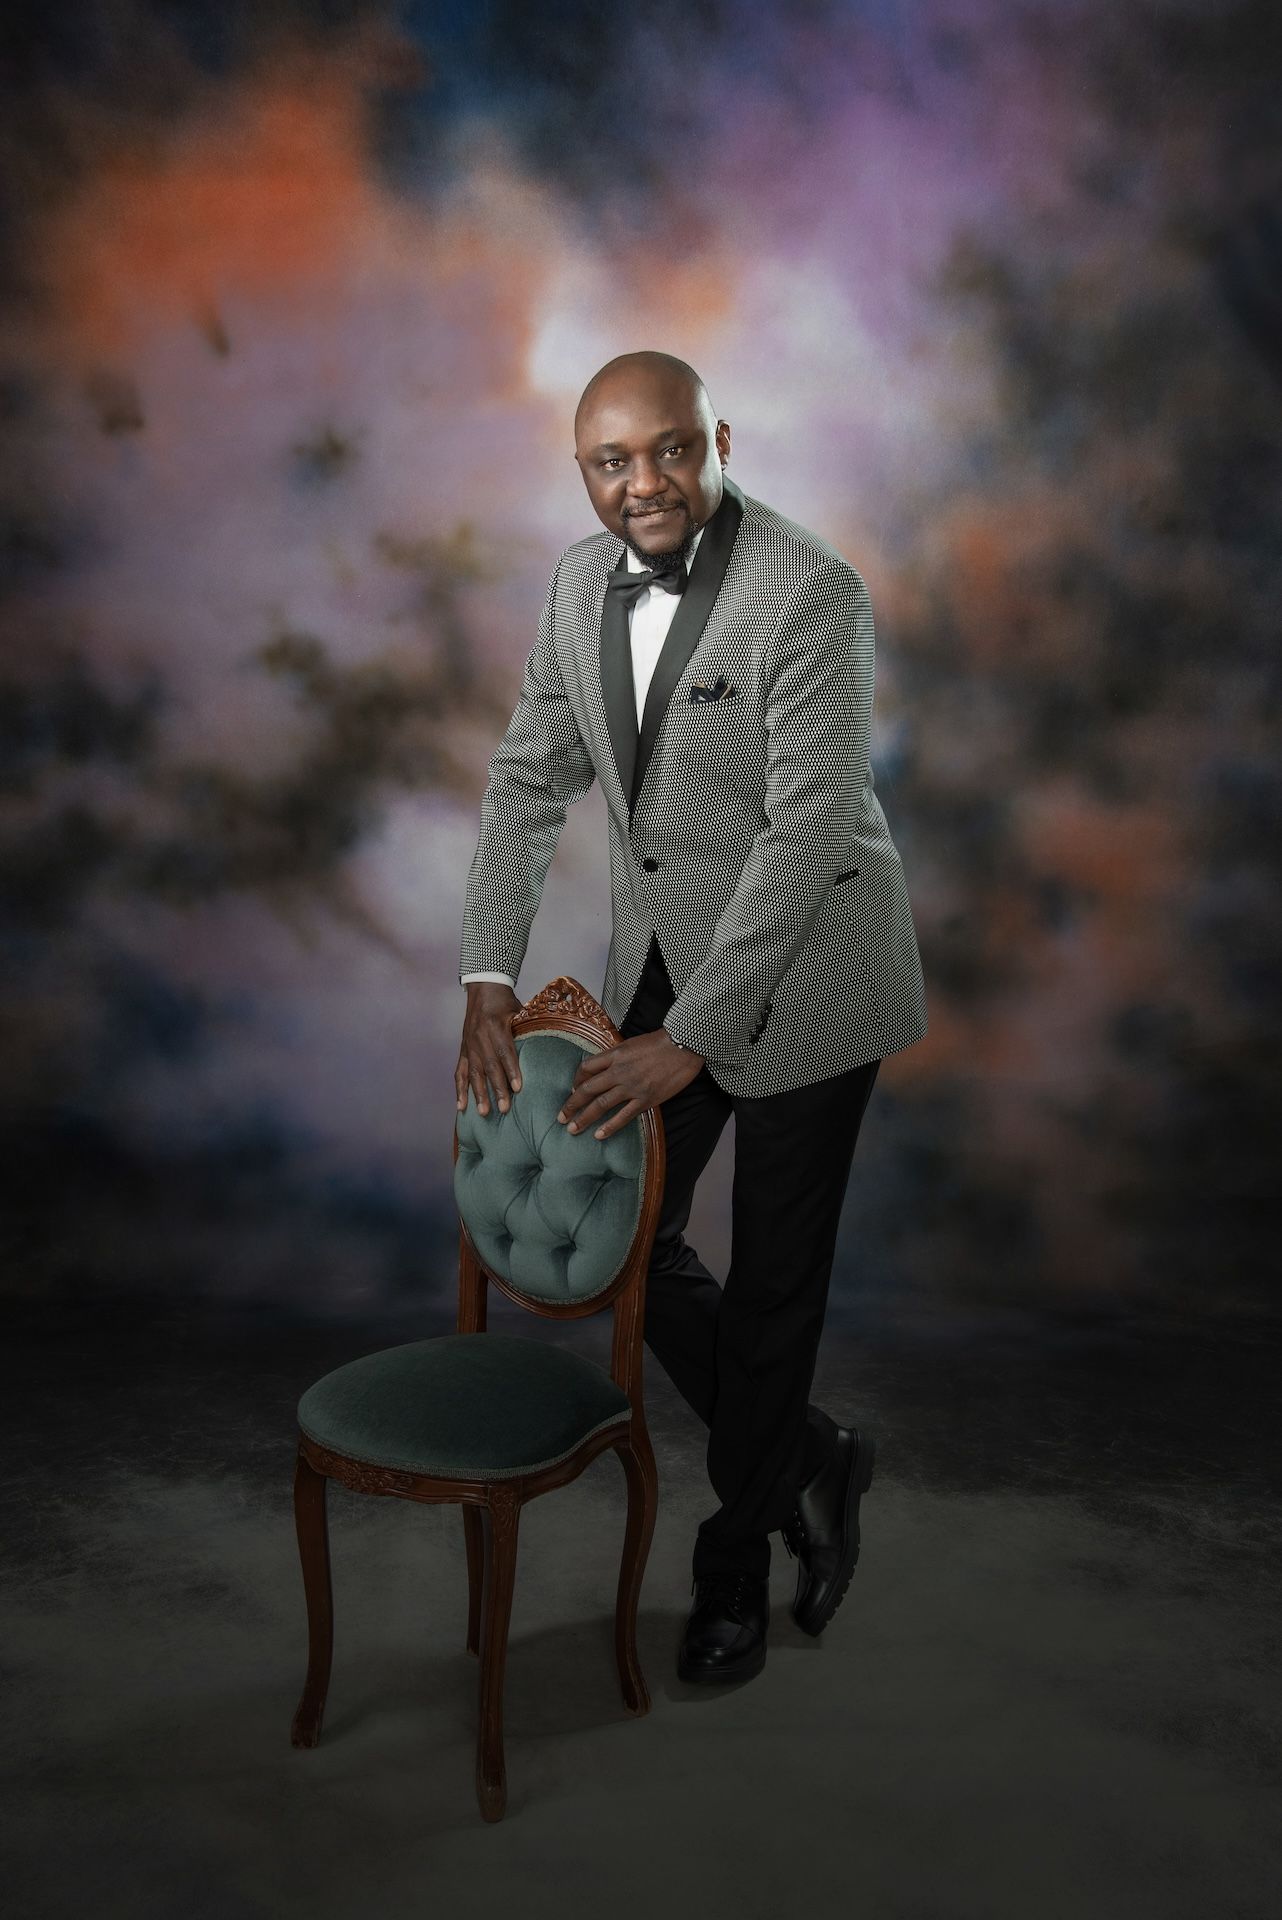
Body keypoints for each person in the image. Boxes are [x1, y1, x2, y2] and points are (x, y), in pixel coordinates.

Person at [456, 350, 927, 1684]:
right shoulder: (574, 585)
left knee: (774, 1284)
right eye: (611, 462)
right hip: (667, 952)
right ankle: (810, 1456)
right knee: (628, 1241)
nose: (643, 483)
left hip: (816, 968)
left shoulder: (810, 591)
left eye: (669, 449)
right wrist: (486, 976)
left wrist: (693, 1039)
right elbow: (526, 776)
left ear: (717, 442)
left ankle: (736, 1569)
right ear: (583, 472)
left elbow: (800, 838)